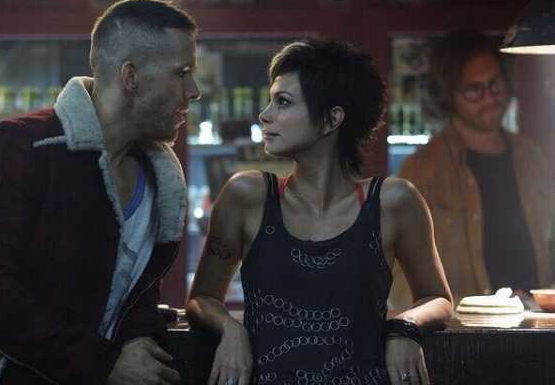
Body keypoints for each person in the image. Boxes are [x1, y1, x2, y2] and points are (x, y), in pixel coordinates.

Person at [0, 0, 201, 385]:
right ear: (130, 77)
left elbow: (135, 291)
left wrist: (140, 336)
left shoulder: (160, 176)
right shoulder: (18, 145)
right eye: (182, 72)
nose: (193, 90)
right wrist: (103, 364)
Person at [186, 39, 453, 385]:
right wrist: (230, 328)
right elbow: (202, 298)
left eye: (283, 102)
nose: (265, 114)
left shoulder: (393, 201)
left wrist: (405, 326)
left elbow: (438, 298)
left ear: (331, 118)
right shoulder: (247, 196)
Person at [389, 30, 555, 311]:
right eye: (474, 89)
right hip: (464, 331)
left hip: (534, 323)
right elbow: (401, 278)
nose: (489, 97)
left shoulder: (533, 157)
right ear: (449, 95)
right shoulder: (421, 170)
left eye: (495, 84)